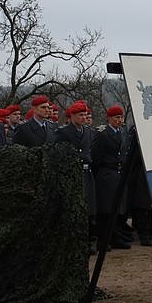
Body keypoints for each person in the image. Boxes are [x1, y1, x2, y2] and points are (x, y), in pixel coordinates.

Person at [55, 101, 97, 250]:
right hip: (72, 172)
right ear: (71, 116)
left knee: (89, 208)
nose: (83, 118)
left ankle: (89, 240)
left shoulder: (89, 132)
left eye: (85, 115)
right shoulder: (63, 133)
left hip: (86, 172)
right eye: (80, 115)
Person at [92, 105, 133, 249]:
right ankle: (104, 240)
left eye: (121, 117)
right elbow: (96, 158)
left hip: (119, 173)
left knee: (118, 210)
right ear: (109, 118)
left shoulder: (122, 133)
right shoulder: (103, 134)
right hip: (107, 174)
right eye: (116, 117)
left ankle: (116, 238)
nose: (119, 120)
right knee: (106, 210)